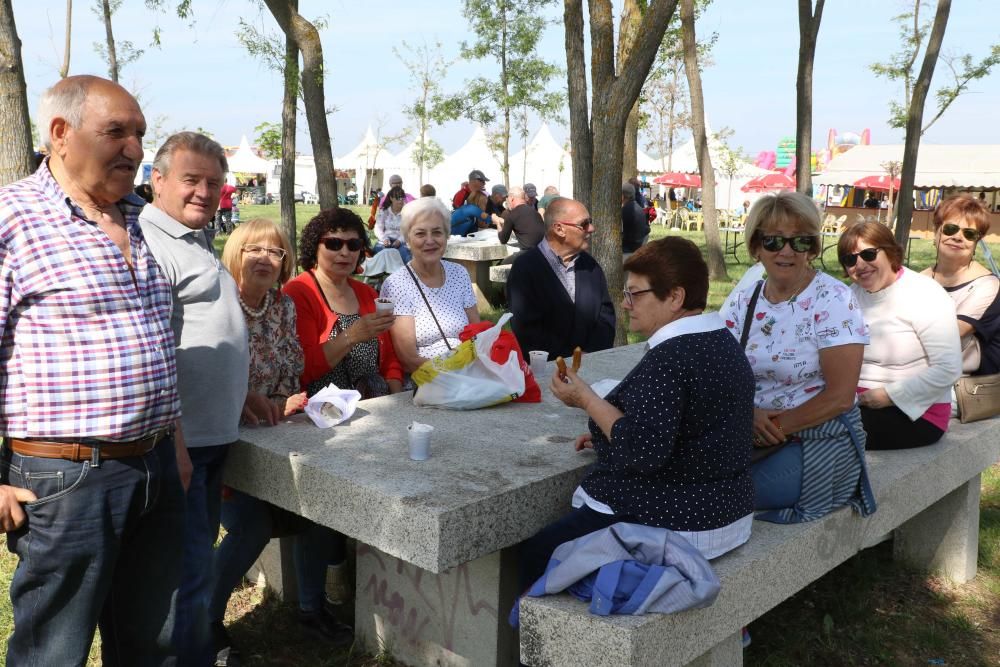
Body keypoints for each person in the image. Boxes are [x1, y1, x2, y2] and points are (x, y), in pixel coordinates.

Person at [0, 74, 186, 666]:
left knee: (152, 640)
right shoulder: (11, 219)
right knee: (53, 649)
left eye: (139, 134)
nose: (135, 148)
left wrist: (174, 444)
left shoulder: (142, 220)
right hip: (65, 479)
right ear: (60, 133)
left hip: (154, 466)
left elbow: (158, 340)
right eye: (116, 132)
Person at [518, 236, 755, 594]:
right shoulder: (721, 341)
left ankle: (538, 646)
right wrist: (606, 429)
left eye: (635, 294)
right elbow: (686, 427)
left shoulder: (672, 356)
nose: (626, 305)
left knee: (535, 554)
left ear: (675, 297)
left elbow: (642, 452)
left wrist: (587, 400)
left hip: (683, 520)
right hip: (729, 510)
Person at [210, 219, 353, 664]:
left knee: (318, 497)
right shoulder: (216, 303)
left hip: (274, 427)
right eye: (254, 250)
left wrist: (282, 397)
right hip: (218, 440)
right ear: (234, 252)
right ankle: (206, 619)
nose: (265, 260)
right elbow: (202, 379)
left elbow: (293, 368)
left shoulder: (281, 305)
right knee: (252, 524)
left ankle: (311, 609)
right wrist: (243, 401)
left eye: (274, 253)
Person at [140, 131, 251, 665]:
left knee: (195, 564)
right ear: (157, 180)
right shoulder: (151, 241)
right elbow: (155, 353)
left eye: (214, 182)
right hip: (182, 443)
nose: (204, 192)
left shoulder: (193, 236)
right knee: (181, 573)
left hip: (210, 435)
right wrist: (177, 445)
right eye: (191, 180)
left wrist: (243, 389)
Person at [724, 191, 876, 524]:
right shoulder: (746, 298)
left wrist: (769, 428)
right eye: (774, 241)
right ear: (755, 247)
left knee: (717, 492)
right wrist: (747, 415)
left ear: (813, 248)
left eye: (800, 242)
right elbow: (719, 373)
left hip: (815, 439)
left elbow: (839, 397)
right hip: (747, 429)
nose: (787, 251)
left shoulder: (833, 300)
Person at [839, 222, 962, 450]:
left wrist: (888, 396)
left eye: (868, 254)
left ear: (891, 252)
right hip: (852, 402)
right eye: (850, 259)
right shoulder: (847, 297)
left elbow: (949, 368)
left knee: (823, 434)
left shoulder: (925, 294)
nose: (860, 264)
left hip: (915, 412)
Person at [507, 197, 615, 361]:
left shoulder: (590, 266)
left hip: (590, 365)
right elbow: (525, 329)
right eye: (584, 224)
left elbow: (605, 316)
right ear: (559, 229)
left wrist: (590, 353)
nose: (591, 229)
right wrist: (567, 360)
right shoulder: (525, 268)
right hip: (548, 372)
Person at [380, 197, 480, 372]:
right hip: (427, 380)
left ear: (446, 235)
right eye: (420, 234)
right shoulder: (397, 285)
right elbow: (408, 359)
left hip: (469, 373)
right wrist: (452, 371)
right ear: (408, 240)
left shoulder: (460, 273)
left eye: (437, 232)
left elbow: (477, 334)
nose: (430, 240)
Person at [921, 195, 1000, 377]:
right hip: (918, 373)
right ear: (936, 232)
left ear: (976, 242)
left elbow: (950, 335)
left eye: (969, 233)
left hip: (964, 388)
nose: (958, 237)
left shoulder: (988, 286)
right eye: (950, 229)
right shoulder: (918, 280)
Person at [498, 185, 545, 250]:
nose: (506, 200)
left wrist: (498, 223)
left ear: (511, 199)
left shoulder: (512, 215)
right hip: (542, 250)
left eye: (507, 198)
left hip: (528, 253)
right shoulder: (535, 212)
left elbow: (503, 240)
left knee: (507, 260)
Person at [374, 185, 412, 262]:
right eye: (398, 198)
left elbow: (409, 231)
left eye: (402, 198)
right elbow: (378, 228)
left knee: (406, 256)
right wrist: (384, 239)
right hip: (386, 240)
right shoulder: (384, 211)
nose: (401, 200)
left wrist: (399, 241)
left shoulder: (407, 212)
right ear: (391, 198)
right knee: (377, 250)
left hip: (401, 241)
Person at [621, 181, 650, 256]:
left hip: (628, 248)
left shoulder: (626, 210)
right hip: (638, 245)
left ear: (623, 196)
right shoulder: (638, 207)